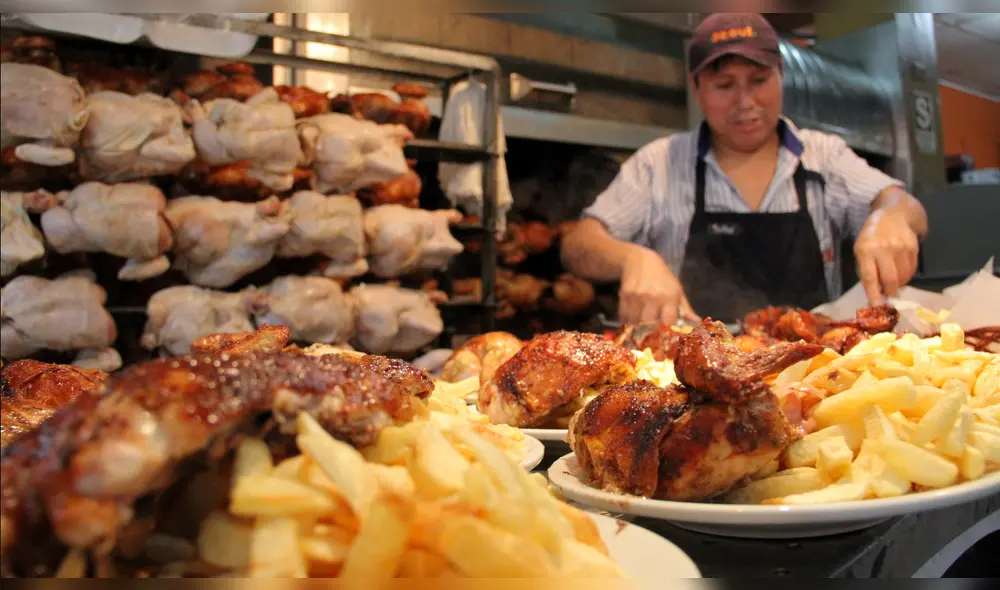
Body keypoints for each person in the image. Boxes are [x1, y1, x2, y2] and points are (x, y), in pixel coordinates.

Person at [561, 13, 928, 325]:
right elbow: (578, 245)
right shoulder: (659, 163)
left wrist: (890, 217)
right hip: (690, 386)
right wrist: (632, 258)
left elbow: (904, 205)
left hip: (814, 376)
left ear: (781, 75)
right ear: (697, 87)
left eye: (759, 81)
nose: (745, 102)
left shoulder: (824, 157)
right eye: (724, 85)